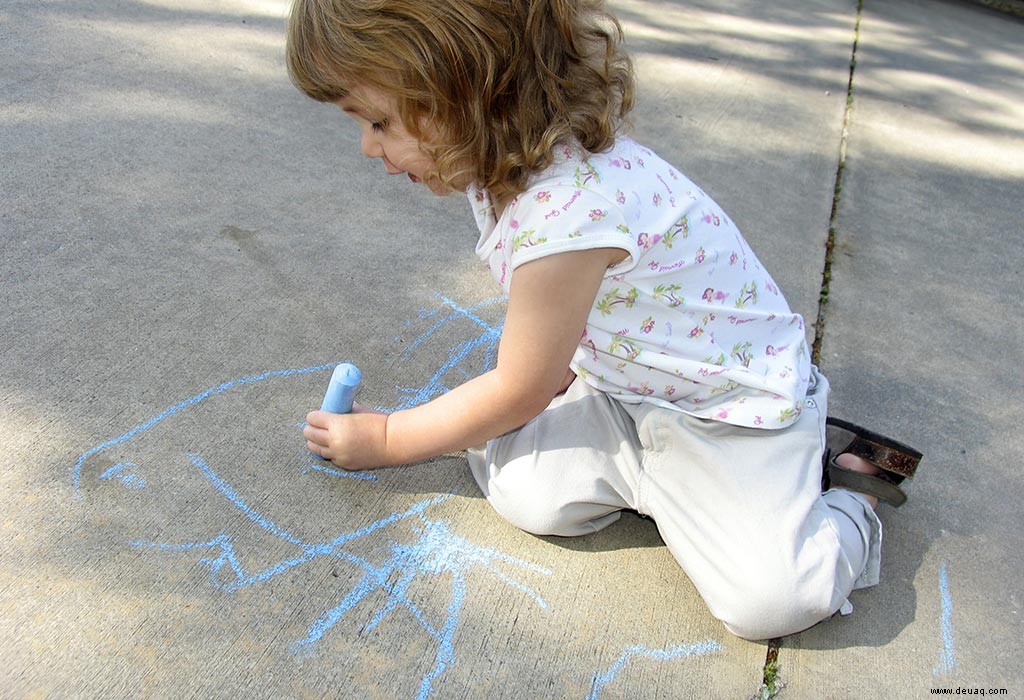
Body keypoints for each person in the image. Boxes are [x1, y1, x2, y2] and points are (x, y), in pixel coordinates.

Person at [287, 0, 921, 640]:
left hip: (731, 410)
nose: (369, 147)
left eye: (378, 121)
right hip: (629, 391)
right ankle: (673, 493)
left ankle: (851, 495)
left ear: (462, 92)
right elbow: (557, 345)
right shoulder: (510, 170)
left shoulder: (569, 210)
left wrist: (393, 439)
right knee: (523, 490)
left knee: (770, 602)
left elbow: (519, 388)